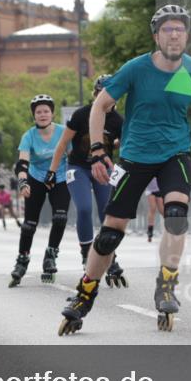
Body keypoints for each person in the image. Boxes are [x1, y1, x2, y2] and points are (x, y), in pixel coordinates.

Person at [59, 4, 191, 335]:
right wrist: (96, 150)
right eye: (167, 29)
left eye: (180, 28)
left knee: (176, 216)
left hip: (174, 154)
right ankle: (84, 294)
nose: (174, 34)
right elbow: (99, 107)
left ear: (187, 35)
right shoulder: (136, 69)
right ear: (156, 36)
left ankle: (166, 284)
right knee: (109, 236)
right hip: (134, 157)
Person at [46, 74, 127, 285]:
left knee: (107, 213)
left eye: (111, 93)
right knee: (83, 208)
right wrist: (52, 172)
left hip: (102, 169)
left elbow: (125, 145)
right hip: (78, 167)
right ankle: (85, 253)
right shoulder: (82, 115)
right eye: (102, 93)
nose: (106, 97)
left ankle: (111, 258)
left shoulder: (118, 120)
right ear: (96, 93)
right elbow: (63, 143)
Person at [8, 94, 71, 287]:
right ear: (34, 116)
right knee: (29, 224)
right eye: (38, 112)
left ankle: (50, 255)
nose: (43, 114)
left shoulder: (64, 131)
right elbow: (22, 164)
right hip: (36, 178)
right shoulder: (29, 136)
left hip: (59, 177)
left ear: (52, 113)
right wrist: (23, 184)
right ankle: (22, 260)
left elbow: (75, 156)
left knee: (60, 217)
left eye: (46, 111)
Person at [144, 178, 165, 242]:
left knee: (162, 210)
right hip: (150, 190)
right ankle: (150, 231)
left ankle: (169, 227)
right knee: (152, 208)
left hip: (159, 188)